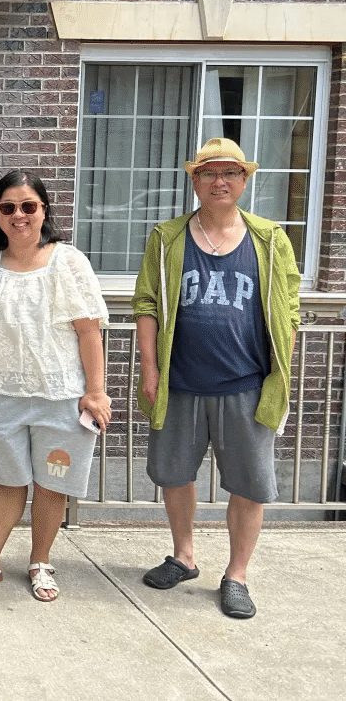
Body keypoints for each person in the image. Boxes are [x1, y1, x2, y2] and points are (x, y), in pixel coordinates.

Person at [133, 138, 300, 620]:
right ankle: (184, 556)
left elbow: (288, 310)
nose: (219, 181)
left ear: (244, 181)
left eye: (230, 173)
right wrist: (149, 369)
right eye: (209, 174)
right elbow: (145, 304)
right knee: (175, 475)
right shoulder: (167, 238)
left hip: (247, 386)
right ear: (195, 181)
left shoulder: (270, 238)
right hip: (180, 383)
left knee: (248, 486)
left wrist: (280, 374)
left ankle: (237, 575)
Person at [0, 170, 110, 602]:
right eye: (8, 208)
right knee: (9, 480)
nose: (18, 215)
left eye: (28, 206)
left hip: (61, 399)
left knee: (52, 484)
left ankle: (40, 561)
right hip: (6, 396)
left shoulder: (69, 261)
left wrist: (96, 392)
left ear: (43, 210)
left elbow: (89, 330)